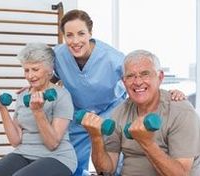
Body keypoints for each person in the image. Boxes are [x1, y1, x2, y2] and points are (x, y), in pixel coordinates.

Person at [52, 9, 186, 176]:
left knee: (112, 166)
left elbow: (139, 80)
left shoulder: (113, 58)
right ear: (64, 37)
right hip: (80, 114)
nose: (75, 41)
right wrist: (34, 87)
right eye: (69, 35)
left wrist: (169, 92)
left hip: (111, 111)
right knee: (71, 165)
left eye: (81, 33)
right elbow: (51, 76)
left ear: (90, 33)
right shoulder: (58, 54)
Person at [82, 49, 200, 175]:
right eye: (130, 76)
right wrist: (96, 137)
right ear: (124, 82)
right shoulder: (119, 113)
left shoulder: (181, 112)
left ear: (160, 77)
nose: (138, 82)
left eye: (145, 74)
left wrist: (147, 143)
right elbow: (106, 170)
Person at [0, 43, 77, 176]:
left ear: (49, 70)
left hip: (58, 157)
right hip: (24, 153)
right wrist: (2, 109)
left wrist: (38, 112)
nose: (30, 76)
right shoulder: (22, 96)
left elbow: (52, 144)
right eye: (26, 70)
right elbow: (15, 141)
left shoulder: (61, 96)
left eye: (35, 69)